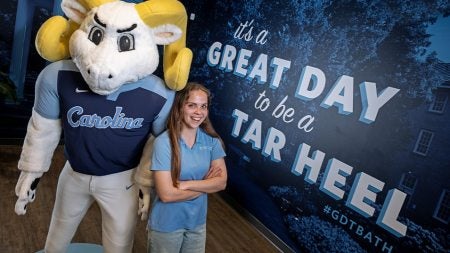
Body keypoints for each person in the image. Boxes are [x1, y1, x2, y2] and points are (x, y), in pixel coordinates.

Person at [147, 82, 227, 253]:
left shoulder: (212, 141)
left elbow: (221, 183)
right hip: (166, 225)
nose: (199, 112)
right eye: (192, 105)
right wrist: (205, 184)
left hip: (197, 224)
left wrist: (186, 184)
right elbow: (167, 195)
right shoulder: (164, 143)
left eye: (203, 106)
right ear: (180, 107)